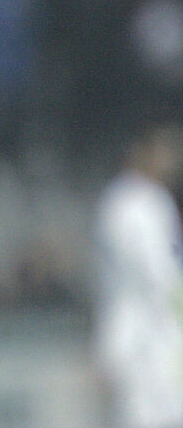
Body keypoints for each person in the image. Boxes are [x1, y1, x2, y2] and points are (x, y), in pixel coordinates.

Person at [92, 122, 183, 428]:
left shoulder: (120, 198)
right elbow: (158, 275)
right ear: (142, 151)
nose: (171, 159)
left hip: (133, 331)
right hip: (142, 335)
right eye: (165, 150)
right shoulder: (140, 201)